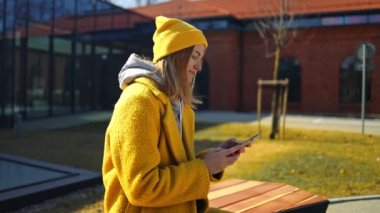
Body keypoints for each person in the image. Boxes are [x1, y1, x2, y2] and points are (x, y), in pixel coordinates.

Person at [102, 16, 247, 213]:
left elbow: (174, 164)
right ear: (176, 54)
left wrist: (214, 159)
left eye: (201, 58)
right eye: (195, 56)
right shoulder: (138, 102)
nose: (199, 66)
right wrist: (203, 168)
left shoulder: (180, 106)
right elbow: (142, 187)